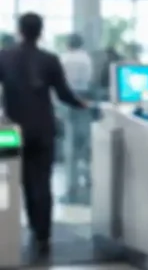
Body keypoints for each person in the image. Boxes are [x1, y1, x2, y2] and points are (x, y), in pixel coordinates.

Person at [0, 14, 86, 255]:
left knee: (17, 182)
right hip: (43, 129)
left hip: (14, 131)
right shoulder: (50, 59)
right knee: (42, 182)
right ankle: (42, 235)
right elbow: (63, 94)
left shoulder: (4, 57)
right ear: (41, 32)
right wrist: (83, 105)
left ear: (19, 30)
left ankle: (14, 232)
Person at [60, 33, 94, 200]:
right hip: (84, 100)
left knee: (70, 146)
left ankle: (71, 188)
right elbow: (90, 80)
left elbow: (60, 83)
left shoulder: (64, 59)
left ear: (69, 44)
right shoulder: (86, 59)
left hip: (68, 101)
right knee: (85, 144)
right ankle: (88, 180)